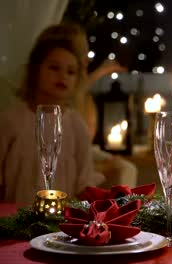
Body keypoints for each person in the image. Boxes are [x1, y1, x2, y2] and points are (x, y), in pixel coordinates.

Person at [0, 26, 105, 204]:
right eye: (54, 68)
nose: (62, 76)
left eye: (70, 71)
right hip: (16, 221)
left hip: (61, 223)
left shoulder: (76, 125)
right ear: (35, 70)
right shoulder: (10, 121)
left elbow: (84, 181)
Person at [36, 23, 137, 189]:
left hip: (85, 153)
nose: (87, 58)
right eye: (82, 51)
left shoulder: (77, 98)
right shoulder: (59, 104)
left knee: (126, 168)